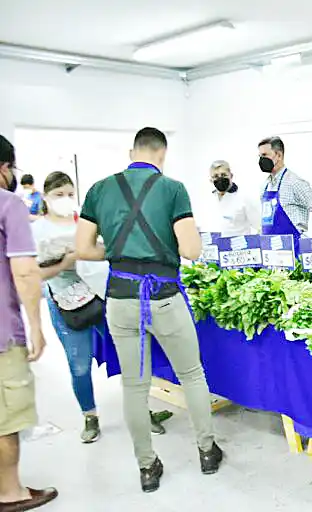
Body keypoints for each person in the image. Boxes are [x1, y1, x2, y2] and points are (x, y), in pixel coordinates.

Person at [75, 128, 222, 493]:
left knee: (134, 386)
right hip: (164, 297)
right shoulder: (173, 189)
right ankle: (207, 451)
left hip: (120, 299)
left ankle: (147, 467)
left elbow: (84, 248)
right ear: (162, 154)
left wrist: (117, 251)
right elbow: (191, 250)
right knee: (192, 375)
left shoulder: (99, 189)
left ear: (132, 153)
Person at [31, 172, 172, 444]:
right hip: (67, 303)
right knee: (79, 365)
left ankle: (141, 412)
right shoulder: (38, 231)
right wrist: (64, 263)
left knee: (130, 356)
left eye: (70, 194)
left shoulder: (84, 222)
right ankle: (90, 416)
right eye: (58, 195)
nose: (65, 199)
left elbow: (110, 249)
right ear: (45, 197)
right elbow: (34, 274)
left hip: (104, 295)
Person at [0, 135, 58, 510]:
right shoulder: (9, 205)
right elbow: (24, 272)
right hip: (2, 336)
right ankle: (9, 492)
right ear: (4, 168)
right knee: (7, 417)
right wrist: (36, 327)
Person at [258, 136, 312, 249]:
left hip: (295, 250)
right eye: (260, 156)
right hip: (272, 250)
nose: (261, 160)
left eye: (265, 155)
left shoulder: (294, 182)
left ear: (279, 155)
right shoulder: (265, 186)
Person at [203, 160, 260, 237]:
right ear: (211, 180)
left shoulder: (244, 198)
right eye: (216, 176)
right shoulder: (208, 199)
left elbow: (260, 227)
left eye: (223, 175)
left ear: (231, 176)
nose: (220, 179)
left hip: (239, 244)